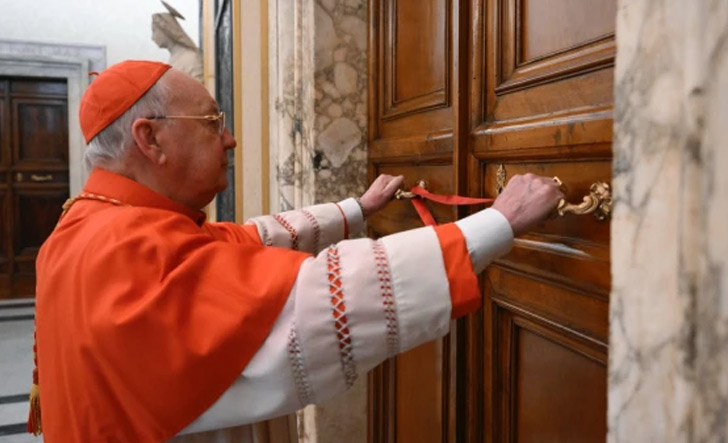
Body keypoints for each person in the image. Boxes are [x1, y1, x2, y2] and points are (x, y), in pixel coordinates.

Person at [30, 60, 564, 442]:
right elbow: (304, 303)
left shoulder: (95, 223)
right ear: (150, 139)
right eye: (214, 123)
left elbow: (241, 243)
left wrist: (356, 208)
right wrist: (498, 223)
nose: (231, 139)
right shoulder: (124, 248)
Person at [152, 1, 203, 83]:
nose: (153, 37)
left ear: (165, 30)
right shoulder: (174, 59)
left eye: (154, 31)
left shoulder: (191, 57)